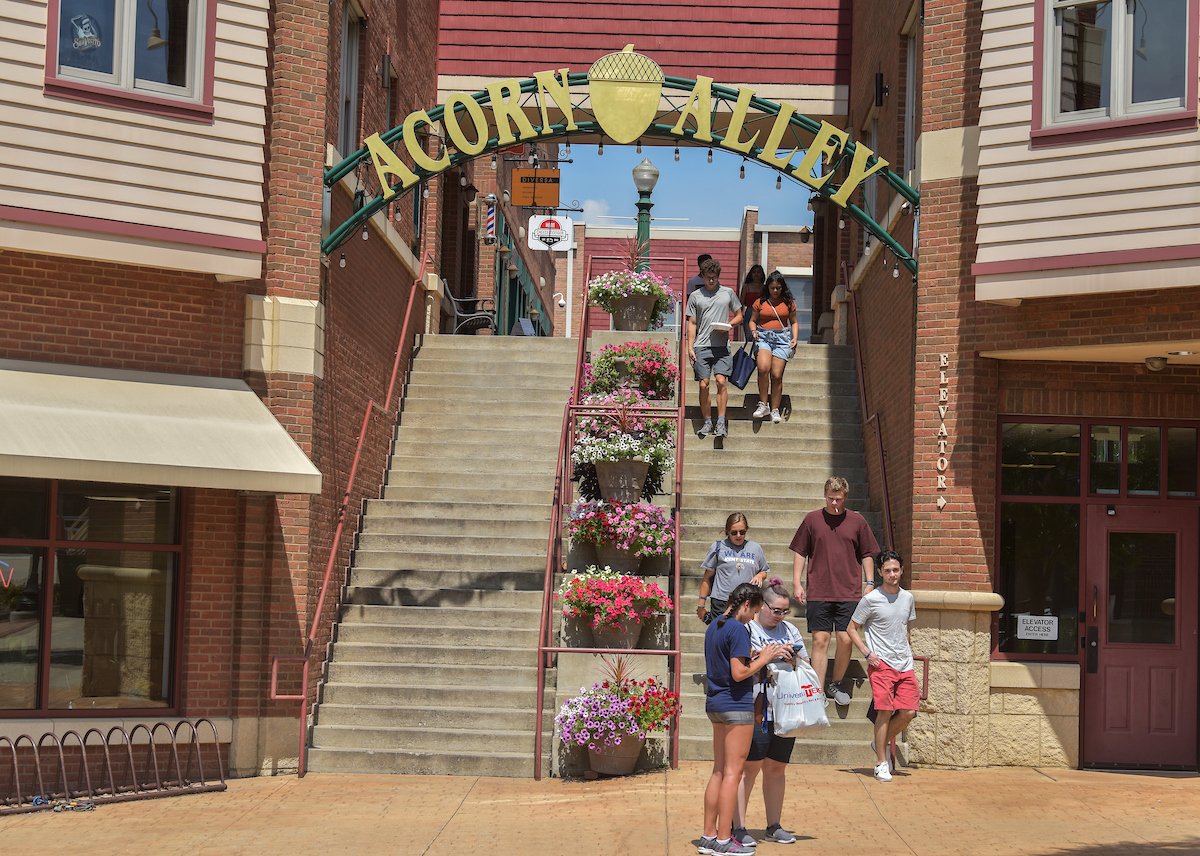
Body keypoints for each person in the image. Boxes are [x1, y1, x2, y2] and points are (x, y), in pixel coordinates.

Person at [700, 584, 790, 856]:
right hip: (736, 706)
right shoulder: (739, 628)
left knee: (718, 771)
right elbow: (739, 673)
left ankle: (708, 837)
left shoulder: (714, 624)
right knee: (732, 774)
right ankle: (725, 841)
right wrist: (764, 657)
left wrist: (752, 656)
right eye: (755, 611)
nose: (754, 617)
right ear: (747, 604)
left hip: (715, 704)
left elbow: (728, 663)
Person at [790, 476, 879, 706]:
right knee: (820, 640)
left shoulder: (857, 521)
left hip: (849, 592)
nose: (834, 503)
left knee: (845, 638)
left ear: (846, 497)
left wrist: (870, 582)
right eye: (830, 498)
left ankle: (836, 683)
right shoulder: (812, 520)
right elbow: (800, 551)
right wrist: (797, 583)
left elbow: (867, 553)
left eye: (838, 498)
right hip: (819, 590)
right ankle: (818, 690)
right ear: (824, 495)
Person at [731, 578, 806, 847]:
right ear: (762, 606)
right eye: (776, 610)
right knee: (748, 769)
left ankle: (774, 826)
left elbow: (805, 663)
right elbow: (739, 662)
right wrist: (767, 654)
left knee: (777, 768)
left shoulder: (791, 630)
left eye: (786, 611)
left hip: (786, 709)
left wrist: (792, 657)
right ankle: (737, 827)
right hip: (756, 709)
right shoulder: (747, 628)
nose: (781, 616)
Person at [846, 549, 918, 783]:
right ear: (879, 572)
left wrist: (908, 652)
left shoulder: (908, 598)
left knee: (908, 712)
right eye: (887, 570)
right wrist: (867, 653)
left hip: (905, 664)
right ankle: (880, 763)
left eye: (895, 569)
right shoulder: (870, 599)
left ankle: (880, 742)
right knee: (884, 711)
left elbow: (904, 627)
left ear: (902, 570)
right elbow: (851, 628)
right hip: (881, 664)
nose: (892, 574)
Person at [687, 257, 742, 439]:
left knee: (721, 382)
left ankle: (721, 422)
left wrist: (729, 324)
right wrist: (690, 347)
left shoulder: (728, 293)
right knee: (704, 384)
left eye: (715, 277)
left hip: (722, 347)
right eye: (708, 276)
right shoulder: (695, 296)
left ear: (719, 275)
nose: (712, 280)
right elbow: (692, 322)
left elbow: (739, 315)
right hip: (701, 346)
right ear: (702, 275)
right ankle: (707, 421)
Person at [697, 513, 770, 623]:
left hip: (746, 603)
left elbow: (764, 571)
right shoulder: (718, 547)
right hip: (721, 602)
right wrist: (701, 604)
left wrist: (760, 575)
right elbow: (707, 577)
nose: (738, 535)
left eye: (742, 532)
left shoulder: (755, 548)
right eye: (734, 533)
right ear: (727, 532)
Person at [748, 271, 800, 424]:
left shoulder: (789, 303)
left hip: (782, 339)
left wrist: (795, 338)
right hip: (763, 336)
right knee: (763, 368)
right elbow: (753, 320)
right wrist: (753, 331)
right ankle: (763, 404)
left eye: (778, 288)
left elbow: (794, 322)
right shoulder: (760, 302)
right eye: (772, 288)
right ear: (768, 287)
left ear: (782, 288)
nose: (775, 291)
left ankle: (775, 409)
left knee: (777, 375)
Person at [738, 264, 766, 342]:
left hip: (763, 314)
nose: (756, 274)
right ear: (751, 274)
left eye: (758, 272)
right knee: (750, 338)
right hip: (749, 314)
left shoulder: (765, 288)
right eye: (754, 272)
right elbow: (741, 303)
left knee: (761, 339)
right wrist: (740, 317)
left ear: (762, 274)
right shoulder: (746, 287)